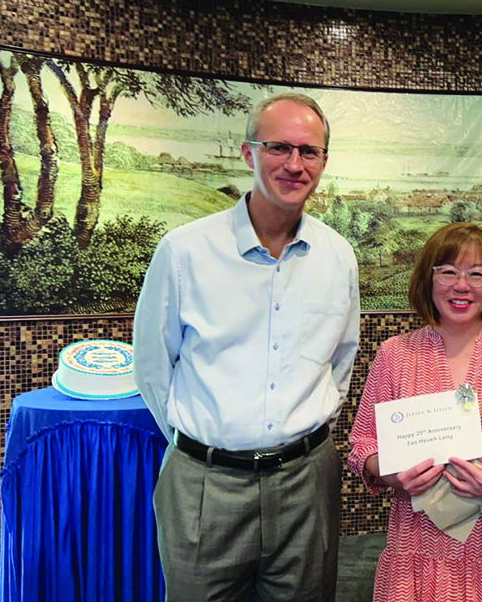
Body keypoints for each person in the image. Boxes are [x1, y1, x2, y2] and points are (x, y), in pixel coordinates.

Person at [133, 92, 359, 602]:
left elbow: (340, 360)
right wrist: (206, 443)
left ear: (324, 160)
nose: (295, 164)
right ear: (247, 153)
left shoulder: (337, 257)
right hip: (205, 486)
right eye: (278, 147)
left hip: (305, 482)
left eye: (310, 151)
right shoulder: (186, 251)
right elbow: (152, 365)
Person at [348, 223, 482, 602]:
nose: (462, 285)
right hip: (417, 548)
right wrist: (388, 472)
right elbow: (361, 443)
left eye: (476, 274)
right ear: (428, 278)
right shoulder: (396, 354)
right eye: (449, 271)